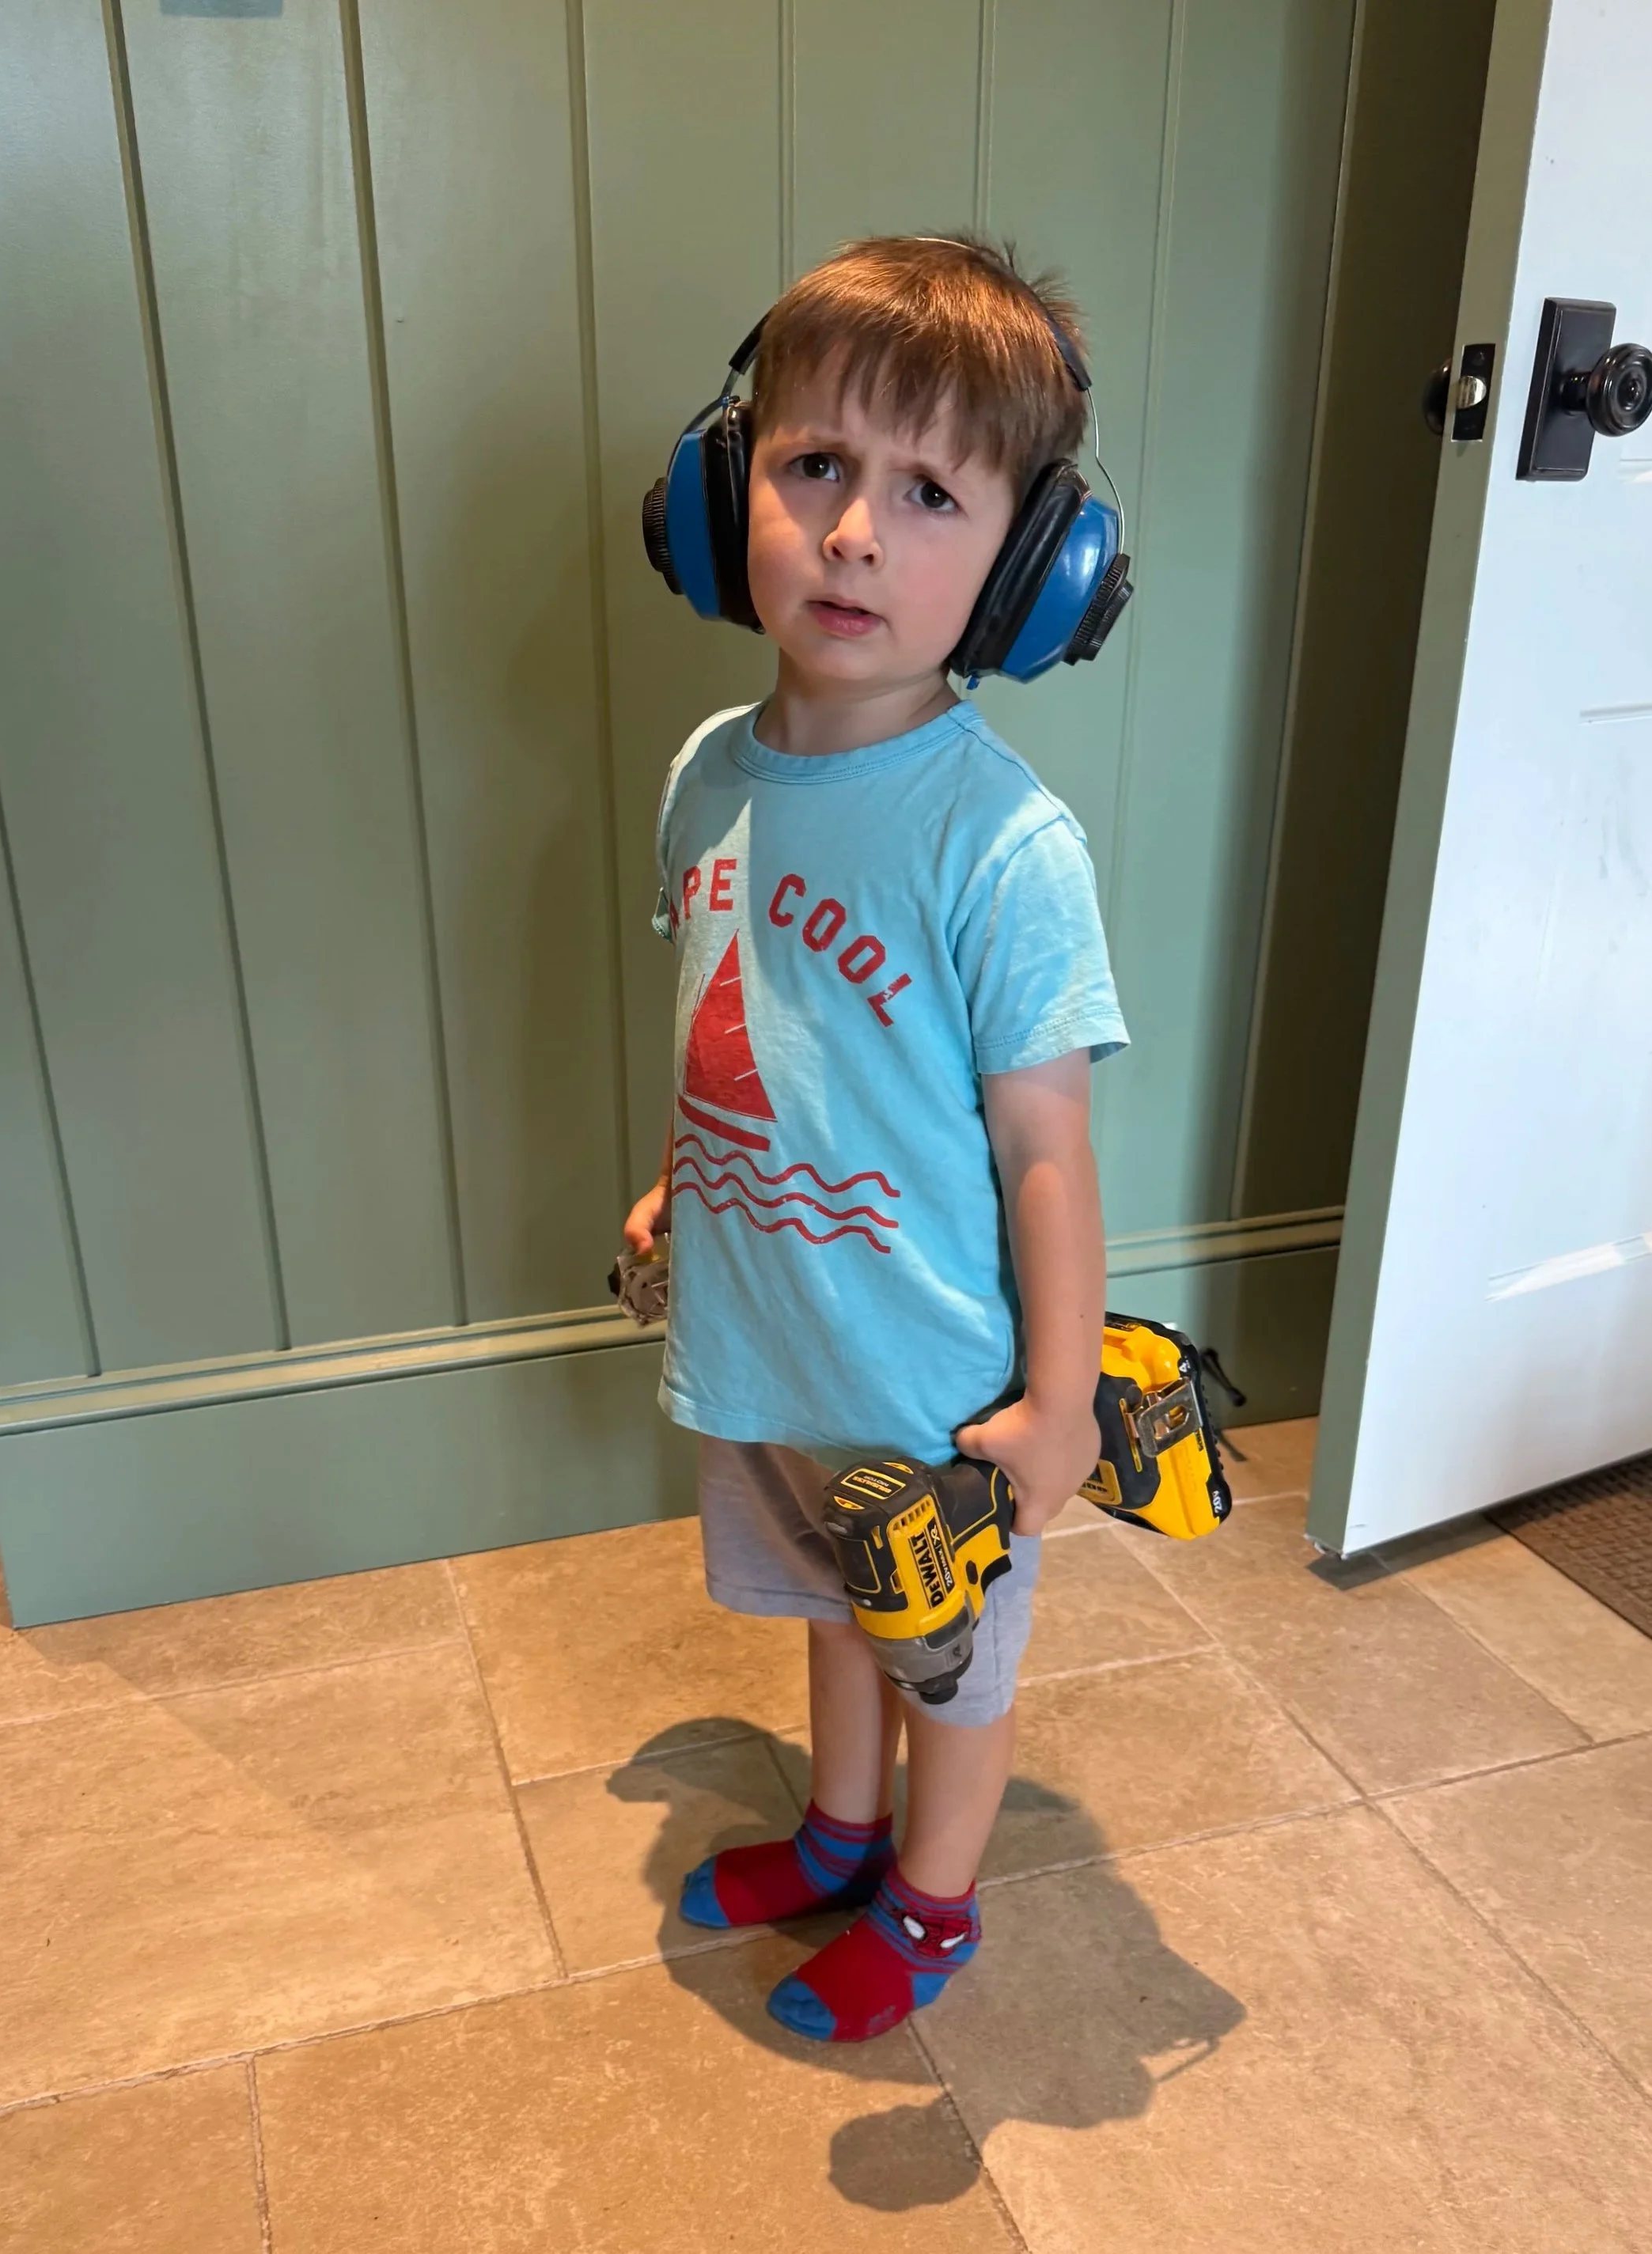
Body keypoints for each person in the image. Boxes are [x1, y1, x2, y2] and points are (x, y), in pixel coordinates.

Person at [623, 233, 1127, 2044]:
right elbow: (734, 1011)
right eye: (815, 464)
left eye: (929, 493)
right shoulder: (710, 771)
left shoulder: (1003, 842)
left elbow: (1048, 1149)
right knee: (833, 1610)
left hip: (933, 1386)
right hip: (772, 1334)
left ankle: (932, 1900)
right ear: (721, 495)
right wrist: (683, 1178)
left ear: (1026, 570)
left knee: (948, 1661)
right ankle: (843, 1830)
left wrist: (1060, 1402)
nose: (852, 533)